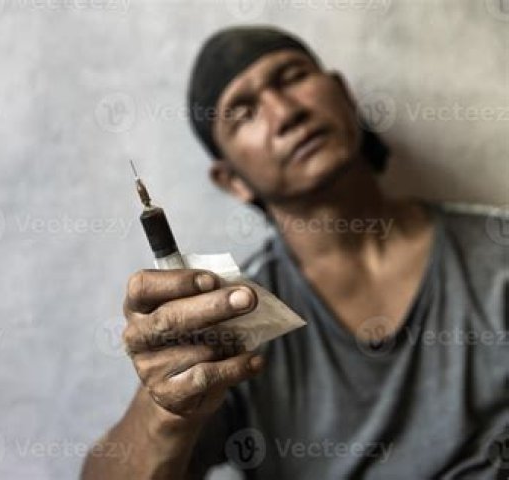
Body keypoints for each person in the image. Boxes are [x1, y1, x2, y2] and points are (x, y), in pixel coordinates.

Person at [81, 25, 509, 479]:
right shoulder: (233, 326)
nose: (285, 113)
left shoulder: (496, 251)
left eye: (292, 76)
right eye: (243, 112)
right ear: (233, 180)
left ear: (344, 95)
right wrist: (164, 409)